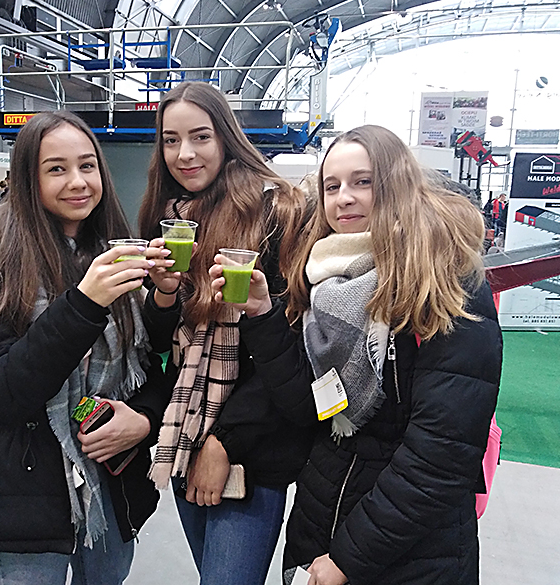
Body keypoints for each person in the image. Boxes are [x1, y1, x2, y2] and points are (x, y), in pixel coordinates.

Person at [210, 125, 502, 585]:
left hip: (413, 554)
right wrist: (263, 315)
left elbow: (441, 453)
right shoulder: (323, 280)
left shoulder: (444, 281)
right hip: (321, 524)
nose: (344, 198)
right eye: (332, 186)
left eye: (362, 182)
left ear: (396, 184)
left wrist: (349, 558)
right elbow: (308, 407)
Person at [0, 110, 170, 585]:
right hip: (27, 488)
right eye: (56, 169)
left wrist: (143, 419)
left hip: (112, 479)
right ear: (29, 178)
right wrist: (84, 303)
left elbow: (149, 364)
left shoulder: (112, 252)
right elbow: (0, 392)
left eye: (87, 166)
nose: (77, 182)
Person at [138, 81, 313, 585]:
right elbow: (161, 343)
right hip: (186, 431)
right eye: (171, 140)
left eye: (200, 137)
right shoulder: (167, 216)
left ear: (226, 137)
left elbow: (291, 345)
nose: (184, 154)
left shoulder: (277, 212)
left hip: (253, 443)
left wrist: (223, 442)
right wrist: (163, 294)